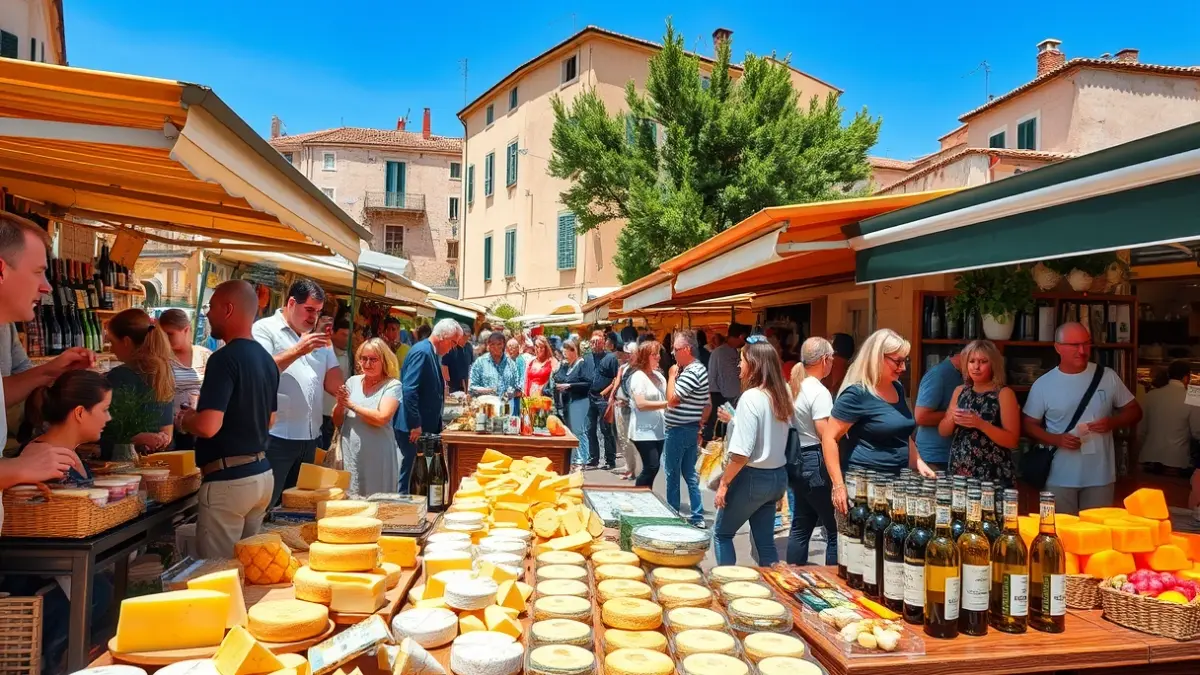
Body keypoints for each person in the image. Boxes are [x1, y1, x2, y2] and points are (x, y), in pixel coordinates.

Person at [0, 213, 89, 528]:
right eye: (38, 272)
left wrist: (53, 370)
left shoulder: (5, 327)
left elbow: (5, 391)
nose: (46, 287)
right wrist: (19, 467)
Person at [177, 280, 278, 557]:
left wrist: (185, 419)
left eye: (211, 307)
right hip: (261, 475)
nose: (207, 313)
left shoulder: (223, 359)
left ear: (228, 309)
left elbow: (209, 426)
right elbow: (270, 420)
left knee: (216, 575)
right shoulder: (267, 359)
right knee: (249, 570)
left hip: (229, 481)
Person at [1022, 322, 1142, 514]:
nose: (1082, 350)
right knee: (1060, 534)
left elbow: (1135, 411)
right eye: (1074, 345)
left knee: (1097, 534)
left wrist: (1112, 422)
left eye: (1086, 344)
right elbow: (1029, 425)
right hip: (1059, 475)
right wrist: (1057, 439)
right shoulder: (1044, 384)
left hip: (1100, 474)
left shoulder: (1107, 376)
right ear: (1058, 347)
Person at [252, 278, 345, 506]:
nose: (313, 317)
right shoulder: (264, 329)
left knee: (299, 508)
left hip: (310, 438)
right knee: (266, 506)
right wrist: (298, 350)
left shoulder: (318, 338)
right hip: (277, 437)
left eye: (318, 311)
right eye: (309, 310)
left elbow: (334, 382)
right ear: (292, 303)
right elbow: (259, 371)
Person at [822, 329, 935, 515]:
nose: (903, 368)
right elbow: (829, 438)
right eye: (897, 361)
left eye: (904, 361)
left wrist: (919, 462)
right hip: (864, 489)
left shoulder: (896, 388)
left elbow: (901, 433)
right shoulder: (857, 394)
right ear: (877, 358)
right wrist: (838, 486)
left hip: (896, 485)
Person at [713, 337, 793, 565]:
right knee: (765, 542)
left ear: (754, 364)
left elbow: (741, 454)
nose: (739, 365)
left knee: (722, 534)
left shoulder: (751, 397)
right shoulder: (781, 395)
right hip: (777, 476)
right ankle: (774, 590)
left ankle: (728, 590)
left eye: (742, 360)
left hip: (752, 477)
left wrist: (724, 484)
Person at [937, 340, 1020, 486]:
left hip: (993, 473)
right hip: (961, 470)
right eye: (972, 361)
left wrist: (980, 424)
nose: (976, 366)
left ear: (993, 365)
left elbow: (1012, 440)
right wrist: (952, 418)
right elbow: (943, 431)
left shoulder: (1004, 394)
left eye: (983, 362)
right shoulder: (960, 391)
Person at [787, 337, 838, 566]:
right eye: (832, 358)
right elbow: (824, 433)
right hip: (815, 459)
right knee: (835, 529)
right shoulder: (819, 392)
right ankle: (834, 588)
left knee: (800, 525)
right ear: (825, 360)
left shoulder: (795, 388)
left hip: (796, 459)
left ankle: (792, 577)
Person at [396, 319, 460, 491]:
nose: (452, 348)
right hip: (414, 428)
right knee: (410, 475)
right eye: (453, 342)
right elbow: (409, 390)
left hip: (422, 427)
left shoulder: (429, 352)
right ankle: (402, 512)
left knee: (419, 475)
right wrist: (415, 423)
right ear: (444, 337)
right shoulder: (423, 352)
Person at [334, 338, 402, 496]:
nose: (367, 364)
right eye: (363, 359)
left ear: (384, 361)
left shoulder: (392, 385)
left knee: (378, 503)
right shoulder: (352, 382)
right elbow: (337, 421)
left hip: (378, 455)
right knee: (351, 501)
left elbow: (381, 418)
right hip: (351, 452)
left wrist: (351, 405)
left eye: (373, 359)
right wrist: (339, 404)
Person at [104, 308, 176, 458]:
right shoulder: (164, 372)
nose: (111, 348)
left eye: (112, 342)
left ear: (126, 342)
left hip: (124, 461)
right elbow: (167, 431)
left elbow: (108, 432)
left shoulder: (118, 376)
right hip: (159, 460)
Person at [664, 330, 709, 527]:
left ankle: (673, 513)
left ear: (687, 349)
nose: (672, 353)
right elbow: (707, 404)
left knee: (672, 473)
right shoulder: (698, 370)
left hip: (679, 429)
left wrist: (671, 376)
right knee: (689, 473)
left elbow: (672, 400)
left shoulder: (691, 371)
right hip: (688, 428)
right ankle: (697, 515)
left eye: (675, 349)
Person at [158, 309, 213, 451]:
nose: (166, 339)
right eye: (162, 335)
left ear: (186, 330)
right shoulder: (161, 360)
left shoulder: (205, 356)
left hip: (201, 424)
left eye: (170, 334)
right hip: (171, 428)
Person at [1137, 360, 1200, 474]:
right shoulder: (1194, 395)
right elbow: (1197, 432)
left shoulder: (1151, 395)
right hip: (1176, 462)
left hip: (1147, 459)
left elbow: (1141, 430)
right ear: (1187, 377)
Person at [914, 350, 963, 472]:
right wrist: (958, 415)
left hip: (956, 455)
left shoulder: (961, 375)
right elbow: (921, 417)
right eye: (973, 359)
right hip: (935, 457)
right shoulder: (939, 374)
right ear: (962, 355)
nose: (976, 365)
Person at [627, 340, 668, 487]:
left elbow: (668, 397)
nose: (658, 357)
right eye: (654, 354)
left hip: (659, 430)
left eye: (658, 354)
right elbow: (641, 404)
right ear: (645, 357)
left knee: (653, 468)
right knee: (651, 466)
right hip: (643, 431)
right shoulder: (638, 377)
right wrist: (666, 404)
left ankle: (646, 494)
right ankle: (639, 494)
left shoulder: (660, 376)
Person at [704, 323, 749, 443]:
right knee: (719, 430)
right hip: (722, 396)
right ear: (740, 336)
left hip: (729, 396)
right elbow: (719, 378)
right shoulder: (721, 353)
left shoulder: (732, 351)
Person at [553, 338, 594, 468]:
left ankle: (583, 457)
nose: (565, 353)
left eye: (568, 350)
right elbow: (558, 378)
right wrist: (559, 366)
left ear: (575, 351)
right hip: (568, 402)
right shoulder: (566, 365)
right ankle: (576, 456)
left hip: (579, 401)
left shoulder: (582, 364)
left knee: (579, 430)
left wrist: (569, 385)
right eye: (564, 350)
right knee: (572, 430)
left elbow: (587, 383)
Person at [587, 332, 620, 470]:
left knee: (606, 429)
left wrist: (608, 393)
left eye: (598, 341)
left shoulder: (611, 358)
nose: (595, 344)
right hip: (589, 396)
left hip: (603, 398)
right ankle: (594, 458)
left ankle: (610, 460)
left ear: (603, 342)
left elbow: (616, 378)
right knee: (590, 428)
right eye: (593, 342)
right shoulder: (587, 358)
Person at [320, 316, 352, 451]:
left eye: (348, 336)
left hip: (337, 414)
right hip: (321, 413)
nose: (346, 339)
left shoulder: (350, 355)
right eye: (343, 335)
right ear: (332, 333)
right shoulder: (322, 351)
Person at [608, 341, 638, 480]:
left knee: (628, 437)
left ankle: (632, 468)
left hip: (629, 406)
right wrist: (612, 396)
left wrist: (628, 401)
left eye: (629, 353)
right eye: (626, 353)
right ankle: (627, 464)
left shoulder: (639, 370)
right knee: (621, 436)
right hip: (619, 404)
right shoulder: (624, 367)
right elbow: (617, 382)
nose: (626, 355)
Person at [469, 331, 523, 397]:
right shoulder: (480, 362)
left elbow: (518, 387)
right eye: (492, 344)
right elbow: (472, 387)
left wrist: (512, 393)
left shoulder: (511, 364)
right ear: (488, 346)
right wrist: (488, 391)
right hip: (486, 405)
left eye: (499, 344)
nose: (496, 347)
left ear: (504, 345)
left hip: (506, 405)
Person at [442, 327, 472, 393]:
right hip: (451, 384)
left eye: (467, 338)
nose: (465, 340)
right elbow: (444, 367)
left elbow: (469, 366)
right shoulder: (450, 347)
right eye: (463, 337)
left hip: (464, 383)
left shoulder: (469, 347)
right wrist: (447, 387)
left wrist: (467, 389)